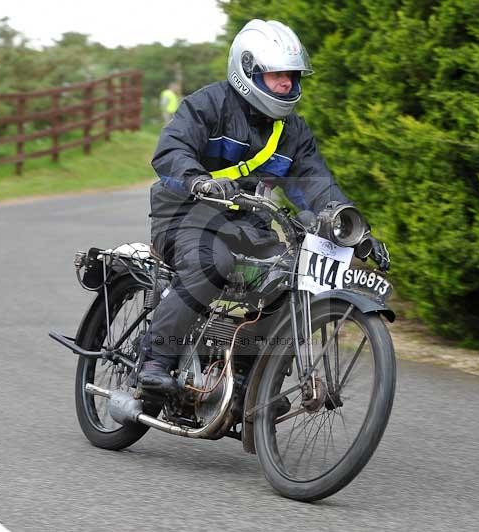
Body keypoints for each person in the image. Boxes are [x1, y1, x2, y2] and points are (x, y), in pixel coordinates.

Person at [137, 19, 390, 395]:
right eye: (277, 75)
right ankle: (155, 358)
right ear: (248, 71)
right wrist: (198, 179)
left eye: (292, 75)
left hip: (247, 223)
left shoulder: (293, 132)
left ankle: (244, 377)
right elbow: (170, 151)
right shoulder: (209, 105)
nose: (287, 83)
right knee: (213, 264)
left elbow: (316, 186)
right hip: (185, 213)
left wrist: (355, 232)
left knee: (285, 278)